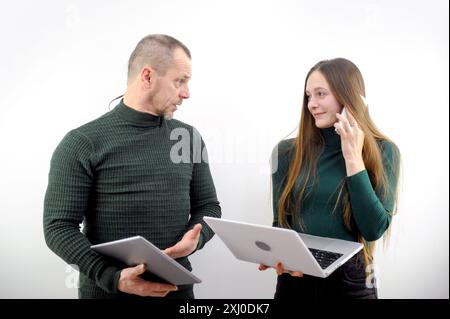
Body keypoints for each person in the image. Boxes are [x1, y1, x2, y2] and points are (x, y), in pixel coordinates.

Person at [44, 34, 221, 299]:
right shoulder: (82, 143)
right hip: (108, 292)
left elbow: (208, 207)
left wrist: (197, 239)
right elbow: (58, 226)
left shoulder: (188, 137)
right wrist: (112, 277)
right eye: (179, 81)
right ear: (147, 76)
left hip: (177, 292)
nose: (186, 93)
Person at [259, 58, 400, 299]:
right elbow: (281, 223)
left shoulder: (384, 151)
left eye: (320, 94)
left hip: (351, 282)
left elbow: (373, 229)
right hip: (296, 280)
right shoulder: (285, 152)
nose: (311, 104)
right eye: (308, 96)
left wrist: (353, 156)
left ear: (349, 98)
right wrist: (277, 255)